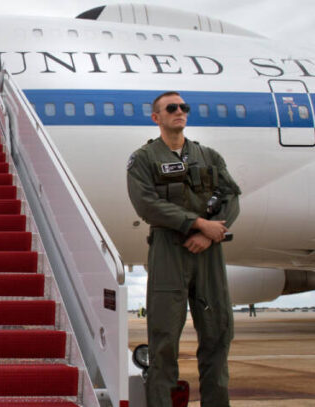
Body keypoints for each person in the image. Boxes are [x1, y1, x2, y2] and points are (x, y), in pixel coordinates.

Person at [127, 91, 241, 407]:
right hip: (168, 251)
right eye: (172, 108)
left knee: (218, 338)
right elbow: (146, 205)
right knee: (163, 343)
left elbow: (231, 198)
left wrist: (208, 234)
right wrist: (198, 224)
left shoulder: (209, 157)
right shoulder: (144, 159)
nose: (180, 111)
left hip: (209, 253)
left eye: (184, 107)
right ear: (156, 117)